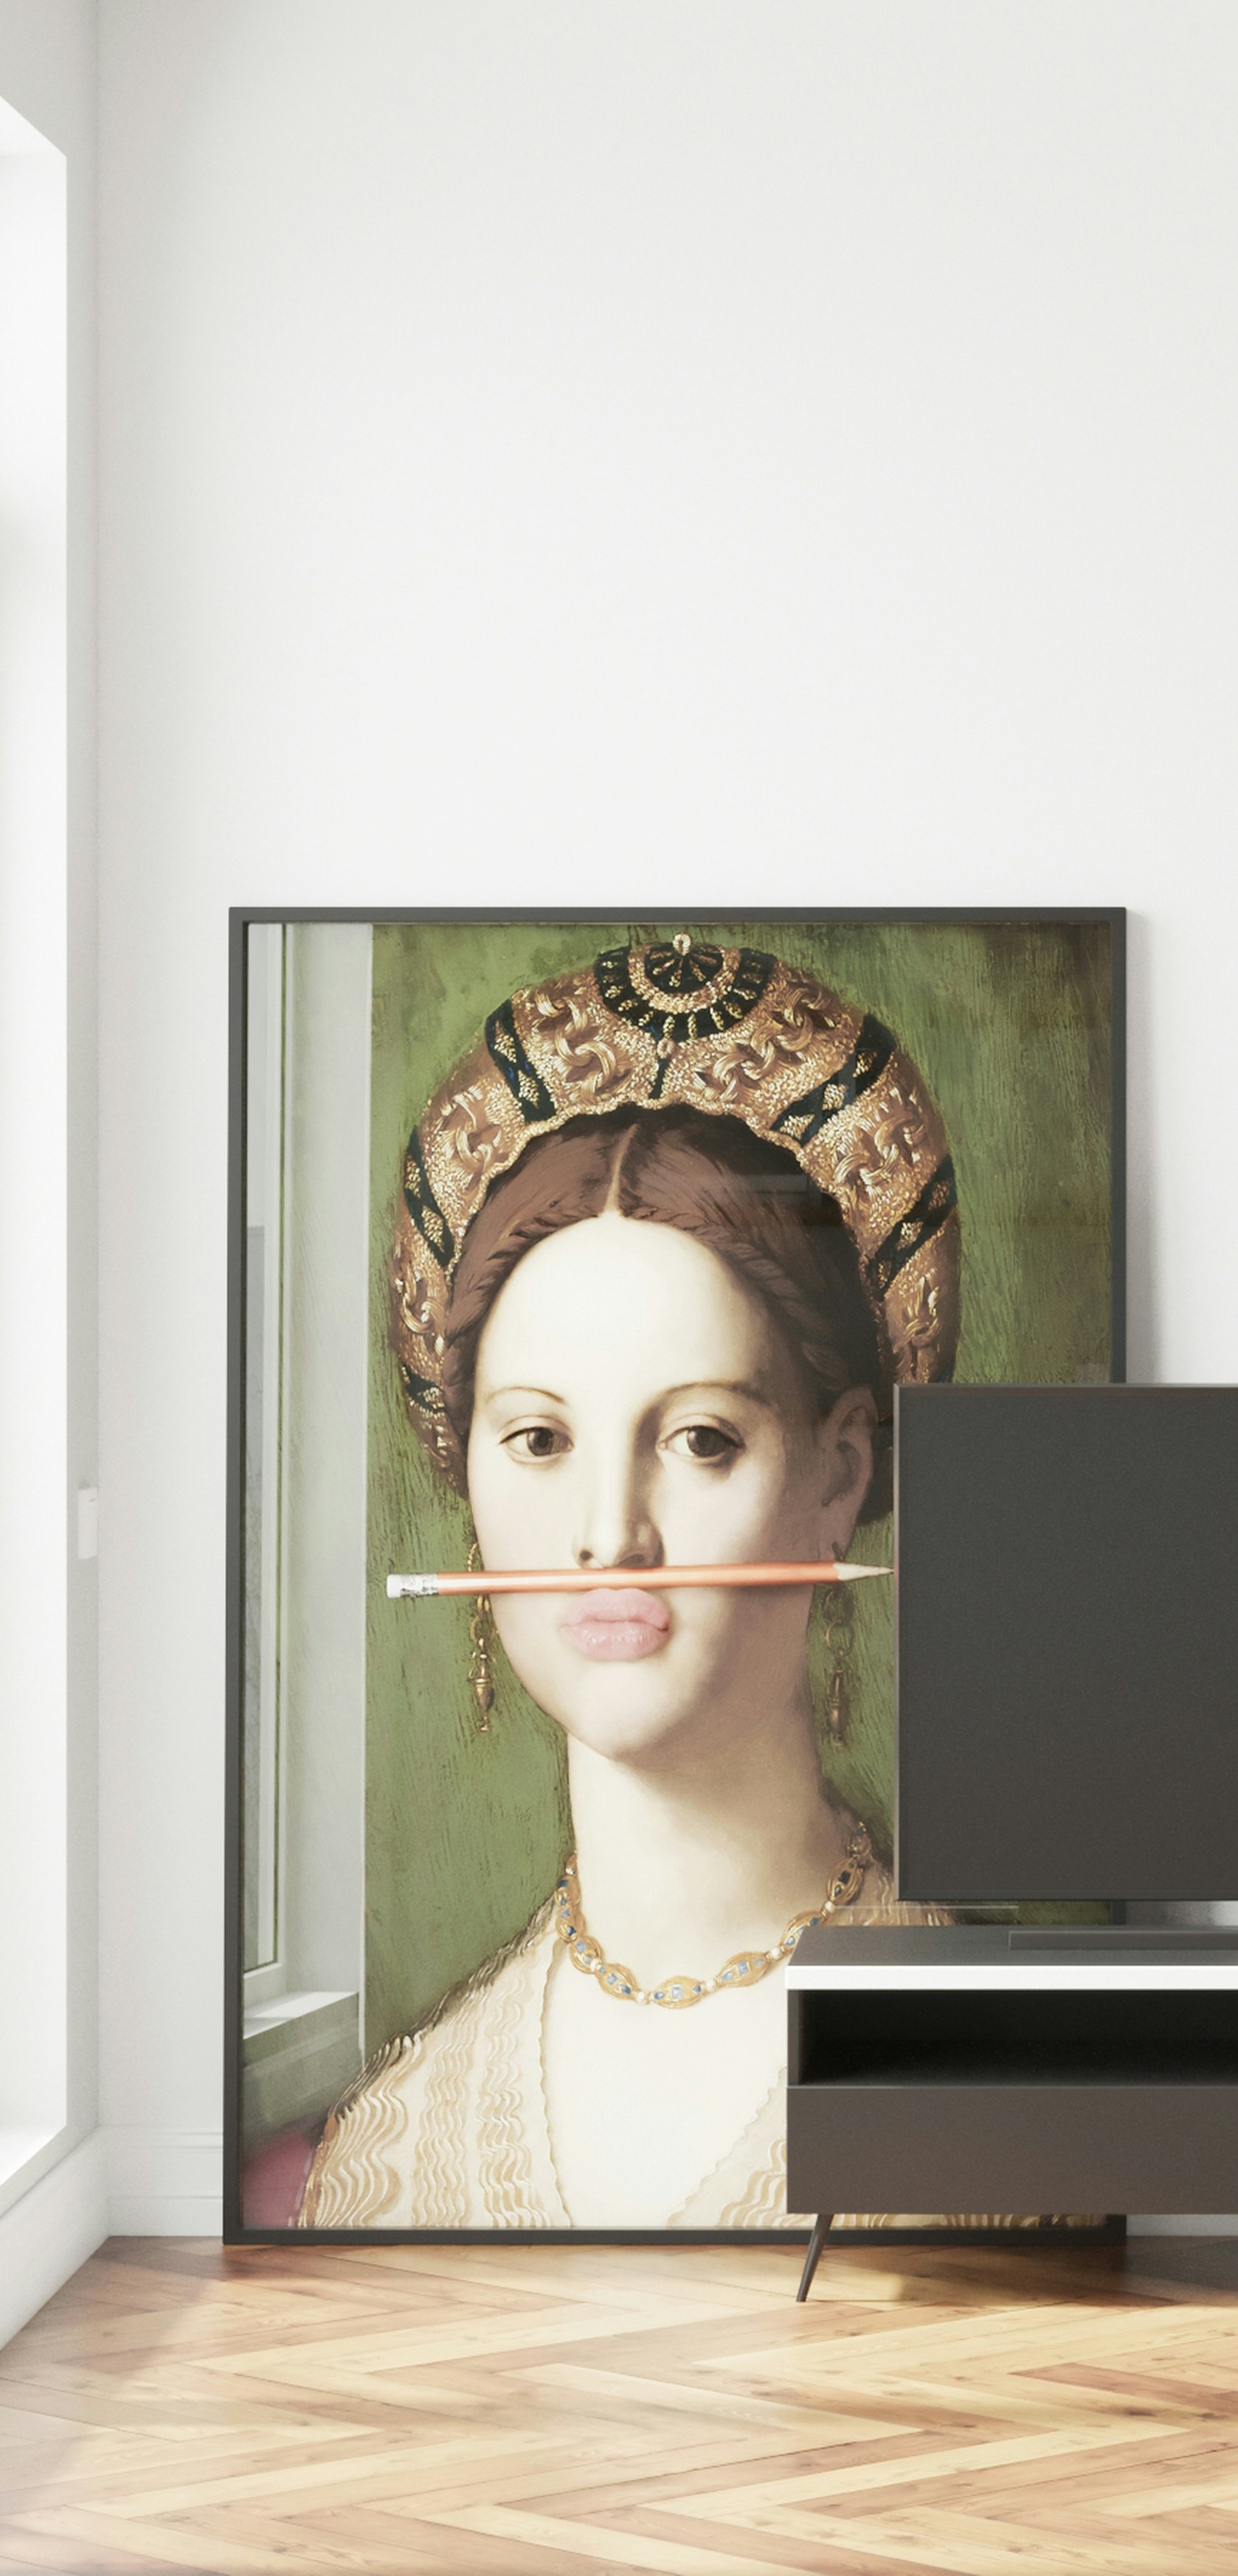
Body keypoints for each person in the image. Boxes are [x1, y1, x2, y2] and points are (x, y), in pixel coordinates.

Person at [299, 938, 986, 2228]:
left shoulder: (995, 2084)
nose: (609, 1535)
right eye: (539, 1439)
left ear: (840, 1472)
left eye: (702, 1438)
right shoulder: (389, 2149)